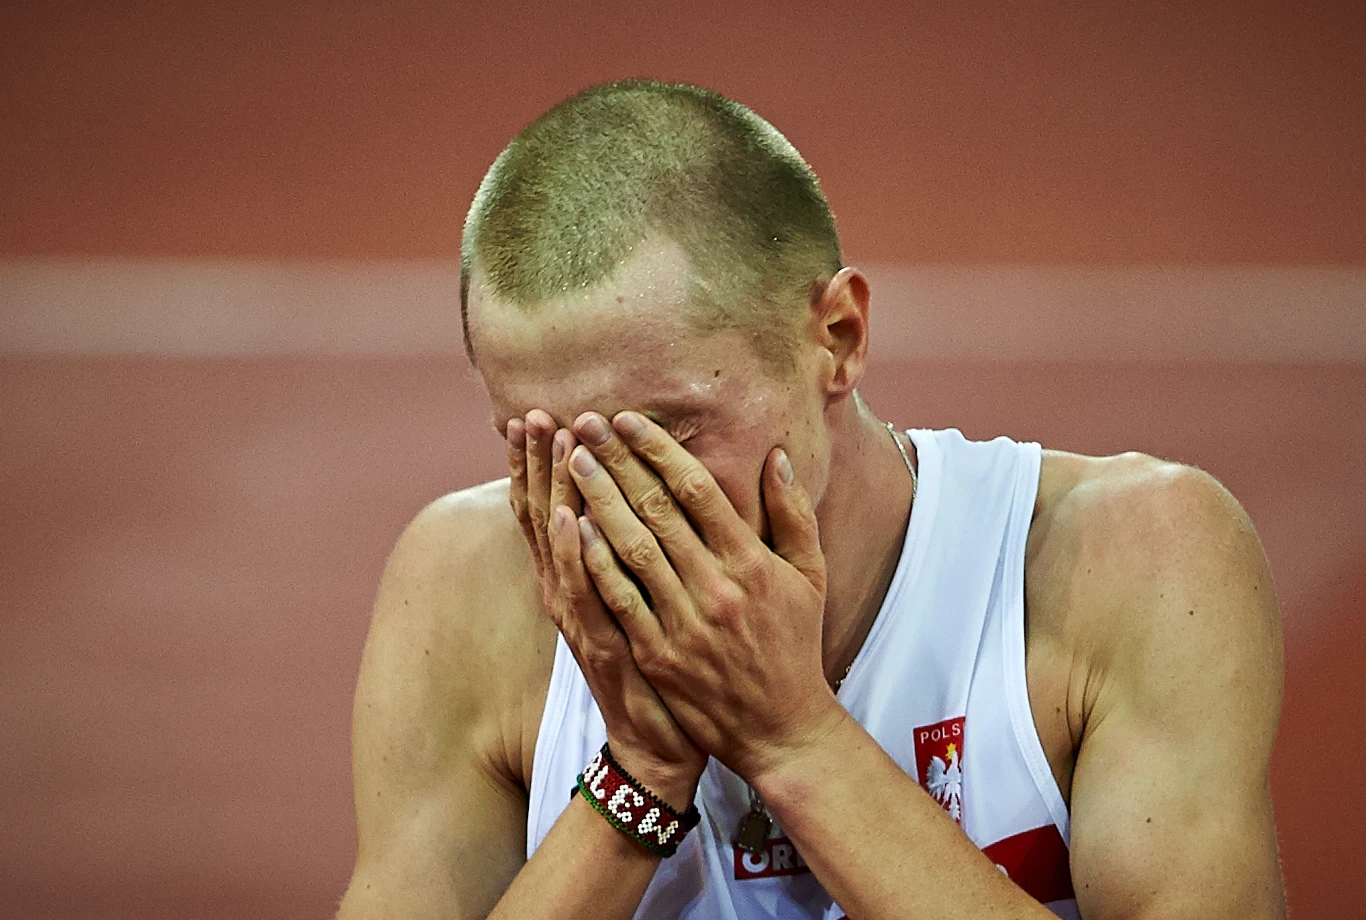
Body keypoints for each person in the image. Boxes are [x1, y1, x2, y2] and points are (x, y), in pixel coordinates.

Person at [336, 80, 1285, 920]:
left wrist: (793, 739)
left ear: (837, 335)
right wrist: (637, 780)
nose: (617, 505)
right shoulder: (464, 589)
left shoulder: (1133, 560)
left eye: (668, 432)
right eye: (543, 449)